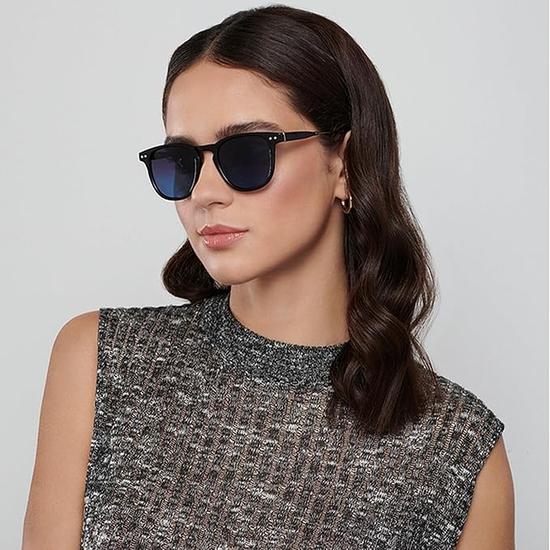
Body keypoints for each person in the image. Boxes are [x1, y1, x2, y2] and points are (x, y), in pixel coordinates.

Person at [22, 5, 515, 549]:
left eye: (247, 153)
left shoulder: (456, 450)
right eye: (182, 162)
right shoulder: (101, 360)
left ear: (345, 163)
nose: (205, 193)